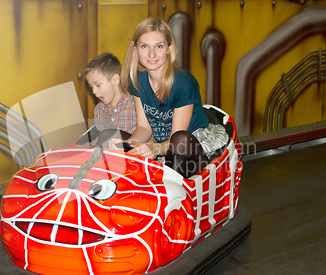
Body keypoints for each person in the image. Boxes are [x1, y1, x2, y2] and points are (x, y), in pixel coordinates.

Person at [113, 17, 228, 178]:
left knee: (179, 139)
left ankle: (166, 194)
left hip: (190, 149)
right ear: (135, 48)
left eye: (159, 46)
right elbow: (144, 128)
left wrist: (153, 149)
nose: (151, 54)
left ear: (169, 47)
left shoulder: (183, 82)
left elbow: (177, 136)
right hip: (162, 144)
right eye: (144, 46)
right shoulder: (137, 78)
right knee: (110, 138)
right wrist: (127, 147)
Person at [83, 53, 136, 146]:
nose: (94, 91)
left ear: (115, 79)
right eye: (91, 87)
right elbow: (98, 139)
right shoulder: (99, 110)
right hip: (106, 157)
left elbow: (147, 138)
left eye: (98, 85)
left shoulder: (135, 106)